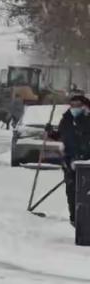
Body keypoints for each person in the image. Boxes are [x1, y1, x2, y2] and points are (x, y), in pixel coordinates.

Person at [46, 95, 90, 227]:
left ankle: (86, 220)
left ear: (84, 106)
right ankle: (75, 219)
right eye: (72, 105)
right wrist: (51, 133)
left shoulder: (88, 119)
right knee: (71, 191)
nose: (74, 108)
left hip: (87, 163)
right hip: (69, 161)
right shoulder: (66, 119)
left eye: (77, 105)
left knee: (86, 193)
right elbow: (60, 135)